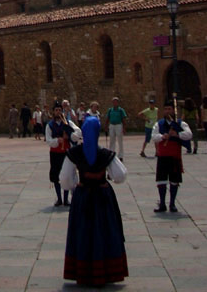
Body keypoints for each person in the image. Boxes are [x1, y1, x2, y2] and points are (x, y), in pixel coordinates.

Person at [60, 116, 128, 286]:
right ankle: (106, 270)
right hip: (102, 196)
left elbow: (65, 180)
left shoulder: (74, 153)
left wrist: (76, 184)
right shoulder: (105, 154)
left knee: (82, 232)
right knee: (104, 231)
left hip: (83, 196)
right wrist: (105, 176)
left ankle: (83, 271)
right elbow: (120, 176)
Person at [151, 100, 192, 213]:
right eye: (165, 109)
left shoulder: (180, 124)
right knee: (161, 180)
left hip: (174, 157)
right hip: (163, 156)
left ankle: (172, 204)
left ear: (173, 110)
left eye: (169, 109)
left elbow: (189, 134)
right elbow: (154, 136)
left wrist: (177, 134)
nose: (167, 111)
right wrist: (162, 136)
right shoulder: (159, 124)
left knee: (174, 181)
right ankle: (162, 204)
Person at [45, 101, 81, 207]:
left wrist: (69, 135)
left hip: (66, 153)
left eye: (60, 110)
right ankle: (59, 199)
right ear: (53, 112)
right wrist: (57, 140)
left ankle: (66, 199)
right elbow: (48, 140)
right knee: (56, 176)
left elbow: (78, 132)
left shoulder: (68, 123)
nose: (58, 112)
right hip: (55, 153)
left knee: (66, 174)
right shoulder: (50, 125)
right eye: (56, 110)